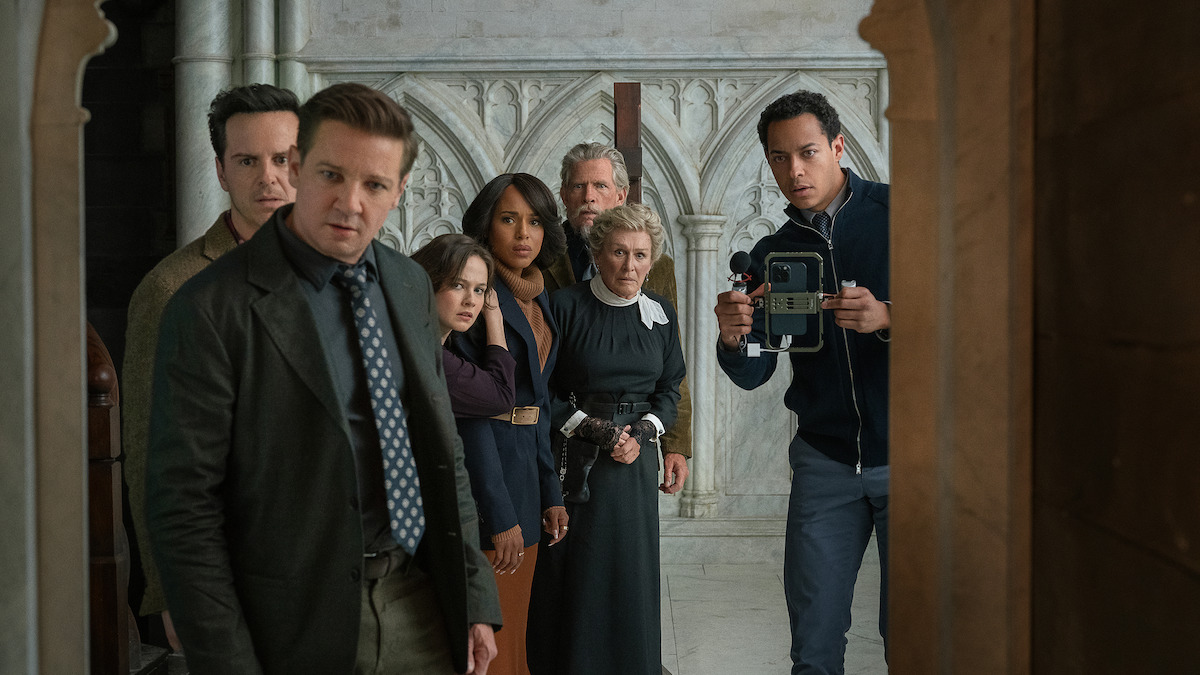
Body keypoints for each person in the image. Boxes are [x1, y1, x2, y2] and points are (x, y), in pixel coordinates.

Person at [145, 82, 501, 674]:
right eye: (331, 175)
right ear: (298, 166)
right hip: (291, 621)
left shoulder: (409, 284)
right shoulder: (210, 307)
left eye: (375, 185)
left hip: (421, 602)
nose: (350, 203)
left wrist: (474, 596)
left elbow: (441, 453)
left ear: (400, 192)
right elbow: (184, 509)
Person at [713, 90, 890, 674]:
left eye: (807, 152)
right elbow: (758, 366)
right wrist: (736, 339)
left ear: (838, 146)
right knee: (813, 650)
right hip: (824, 463)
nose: (794, 170)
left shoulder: (906, 217)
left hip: (914, 458)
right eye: (779, 158)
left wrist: (888, 316)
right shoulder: (772, 254)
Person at [121, 83, 300, 648]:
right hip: (228, 577)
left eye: (282, 159)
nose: (268, 177)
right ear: (222, 172)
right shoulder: (172, 288)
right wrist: (169, 593)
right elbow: (151, 454)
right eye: (247, 160)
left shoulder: (347, 276)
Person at [528, 203, 687, 675]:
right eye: (619, 252)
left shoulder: (662, 314)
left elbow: (670, 389)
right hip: (577, 458)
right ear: (597, 253)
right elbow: (544, 392)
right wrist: (598, 431)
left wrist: (641, 432)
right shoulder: (562, 307)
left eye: (641, 254)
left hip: (635, 464)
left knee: (630, 576)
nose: (630, 265)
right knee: (580, 577)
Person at [457, 173, 569, 675]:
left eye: (536, 222)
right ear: (486, 225)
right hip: (488, 484)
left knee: (518, 637)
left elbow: (539, 406)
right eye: (509, 219)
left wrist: (551, 492)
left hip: (526, 472)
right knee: (491, 647)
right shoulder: (476, 295)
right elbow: (471, 415)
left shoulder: (539, 296)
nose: (524, 233)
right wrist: (498, 512)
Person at [544, 143, 693, 468]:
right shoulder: (541, 260)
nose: (589, 197)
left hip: (635, 437)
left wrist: (675, 445)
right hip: (561, 437)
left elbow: (671, 364)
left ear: (621, 195)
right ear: (564, 195)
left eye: (600, 186)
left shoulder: (659, 266)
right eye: (578, 186)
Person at [410, 233, 516, 421]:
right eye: (458, 285)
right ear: (428, 282)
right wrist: (494, 315)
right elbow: (502, 395)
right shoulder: (427, 356)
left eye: (479, 290)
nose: (471, 301)